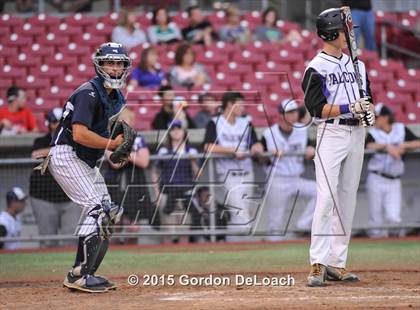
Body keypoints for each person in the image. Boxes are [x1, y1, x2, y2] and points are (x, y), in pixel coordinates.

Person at [47, 42, 131, 293]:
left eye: (119, 63)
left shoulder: (116, 98)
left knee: (109, 214)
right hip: (67, 154)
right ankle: (79, 275)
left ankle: (84, 273)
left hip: (85, 159)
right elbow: (81, 134)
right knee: (99, 209)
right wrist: (111, 143)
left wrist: (115, 151)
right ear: (99, 65)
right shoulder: (88, 92)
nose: (115, 68)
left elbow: (102, 134)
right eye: (110, 62)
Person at [301, 8, 375, 287]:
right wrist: (349, 107)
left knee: (347, 199)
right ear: (330, 32)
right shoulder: (315, 67)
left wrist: (369, 112)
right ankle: (317, 263)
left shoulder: (359, 64)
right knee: (326, 199)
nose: (349, 35)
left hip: (357, 133)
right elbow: (316, 109)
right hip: (331, 133)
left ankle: (337, 262)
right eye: (344, 30)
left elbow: (367, 95)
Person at [203, 92, 263, 241]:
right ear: (229, 104)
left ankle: (230, 246)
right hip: (229, 175)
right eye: (240, 104)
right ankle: (239, 246)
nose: (242, 108)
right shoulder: (215, 122)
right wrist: (232, 150)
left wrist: (257, 147)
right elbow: (208, 147)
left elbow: (255, 143)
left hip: (247, 173)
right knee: (240, 214)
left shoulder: (245, 122)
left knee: (245, 214)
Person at [261, 99, 316, 241]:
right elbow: (259, 158)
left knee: (322, 192)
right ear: (281, 115)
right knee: (276, 223)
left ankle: (303, 225)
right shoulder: (269, 133)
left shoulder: (302, 130)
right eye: (290, 112)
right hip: (277, 179)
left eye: (295, 111)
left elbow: (309, 148)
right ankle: (272, 251)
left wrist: (311, 149)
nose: (294, 115)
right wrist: (266, 153)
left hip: (296, 178)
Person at [365, 104, 420, 238]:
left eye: (377, 117)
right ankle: (375, 253)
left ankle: (394, 250)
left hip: (394, 181)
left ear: (386, 118)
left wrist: (405, 146)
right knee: (376, 220)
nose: (374, 120)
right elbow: (368, 145)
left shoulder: (400, 129)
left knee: (394, 218)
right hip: (376, 178)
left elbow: (418, 142)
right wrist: (387, 147)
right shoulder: (373, 132)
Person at [30, 108, 81, 248]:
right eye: (55, 122)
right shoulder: (41, 141)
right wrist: (61, 148)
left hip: (70, 198)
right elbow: (35, 154)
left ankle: (70, 269)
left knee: (70, 242)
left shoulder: (75, 139)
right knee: (47, 242)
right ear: (49, 124)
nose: (58, 125)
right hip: (44, 198)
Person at [104, 107, 154, 244]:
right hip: (115, 185)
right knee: (115, 223)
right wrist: (132, 155)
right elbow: (116, 163)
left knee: (133, 226)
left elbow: (144, 161)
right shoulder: (110, 140)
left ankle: (131, 251)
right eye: (120, 120)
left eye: (127, 120)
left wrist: (124, 153)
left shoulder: (138, 139)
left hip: (134, 187)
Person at [152, 120, 200, 243]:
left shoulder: (191, 151)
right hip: (167, 194)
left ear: (184, 131)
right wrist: (157, 193)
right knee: (168, 230)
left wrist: (193, 161)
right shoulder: (163, 151)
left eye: (179, 128)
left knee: (184, 231)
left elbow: (198, 174)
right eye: (173, 129)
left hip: (186, 194)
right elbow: (155, 173)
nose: (176, 131)